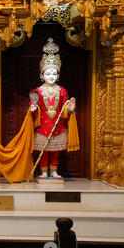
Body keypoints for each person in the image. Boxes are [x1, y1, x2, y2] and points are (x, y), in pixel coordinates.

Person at [29, 38, 77, 178]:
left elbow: (64, 107)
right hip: (42, 126)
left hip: (58, 126)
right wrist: (32, 109)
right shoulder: (37, 91)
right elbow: (33, 107)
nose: (51, 76)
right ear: (41, 75)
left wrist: (70, 108)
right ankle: (44, 171)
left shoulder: (62, 91)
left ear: (58, 75)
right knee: (43, 150)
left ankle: (54, 171)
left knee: (54, 150)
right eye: (48, 74)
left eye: (54, 74)